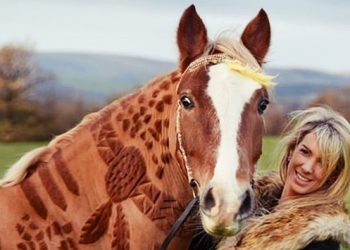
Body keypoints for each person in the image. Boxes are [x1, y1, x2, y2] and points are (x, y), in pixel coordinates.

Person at [190, 106, 350, 250]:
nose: (307, 168)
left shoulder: (320, 241)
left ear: (333, 176)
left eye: (322, 163)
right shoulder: (248, 201)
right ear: (290, 153)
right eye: (305, 152)